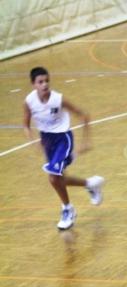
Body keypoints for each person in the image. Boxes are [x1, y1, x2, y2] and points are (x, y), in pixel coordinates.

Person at [23, 67, 105, 230]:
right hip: (47, 139)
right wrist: (34, 142)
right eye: (40, 82)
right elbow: (25, 126)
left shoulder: (58, 99)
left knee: (53, 177)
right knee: (59, 179)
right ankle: (90, 183)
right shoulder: (29, 101)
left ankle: (68, 209)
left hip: (63, 138)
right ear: (33, 84)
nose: (45, 84)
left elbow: (83, 115)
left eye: (47, 81)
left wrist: (86, 141)